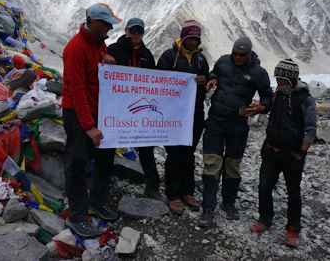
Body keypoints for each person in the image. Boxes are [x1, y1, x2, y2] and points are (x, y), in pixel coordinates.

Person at [198, 37, 273, 228]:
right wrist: (213, 78)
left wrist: (261, 108)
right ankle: (208, 207)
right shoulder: (223, 61)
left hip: (238, 124)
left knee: (232, 165)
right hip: (215, 120)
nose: (237, 57)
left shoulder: (259, 72)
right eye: (235, 54)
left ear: (249, 54)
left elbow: (267, 97)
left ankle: (229, 203)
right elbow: (214, 72)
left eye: (241, 55)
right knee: (211, 164)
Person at [62, 3, 122, 238]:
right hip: (79, 114)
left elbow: (95, 74)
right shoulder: (76, 48)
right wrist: (89, 127)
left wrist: (106, 60)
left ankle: (97, 201)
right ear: (93, 21)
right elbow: (77, 91)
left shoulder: (99, 43)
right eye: (106, 24)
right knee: (77, 164)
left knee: (105, 158)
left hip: (99, 111)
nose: (110, 28)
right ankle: (76, 216)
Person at [250, 59, 317, 248]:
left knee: (293, 192)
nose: (278, 83)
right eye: (277, 79)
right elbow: (268, 113)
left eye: (282, 80)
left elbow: (311, 129)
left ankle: (293, 229)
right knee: (264, 187)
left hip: (293, 154)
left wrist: (302, 153)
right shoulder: (277, 95)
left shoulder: (306, 99)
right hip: (271, 150)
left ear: (291, 79)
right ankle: (265, 220)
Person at [157, 20, 210, 216]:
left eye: (196, 38)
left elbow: (208, 81)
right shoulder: (168, 57)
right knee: (175, 153)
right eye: (190, 38)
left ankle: (188, 191)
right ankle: (173, 194)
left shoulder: (201, 60)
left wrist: (206, 81)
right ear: (183, 37)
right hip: (172, 114)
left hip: (195, 112)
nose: (193, 41)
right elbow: (157, 82)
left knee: (189, 152)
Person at [107, 18, 162, 201]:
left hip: (140, 110)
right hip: (117, 108)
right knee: (109, 146)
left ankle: (152, 187)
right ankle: (103, 188)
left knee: (146, 148)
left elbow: (155, 81)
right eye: (133, 29)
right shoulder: (113, 50)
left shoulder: (147, 54)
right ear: (126, 30)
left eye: (140, 30)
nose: (136, 33)